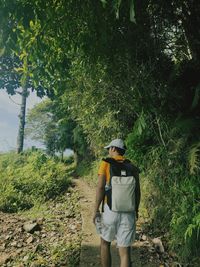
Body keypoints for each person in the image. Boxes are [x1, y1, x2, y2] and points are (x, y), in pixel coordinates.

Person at [93, 138, 141, 267]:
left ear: (114, 148)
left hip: (110, 211)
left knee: (104, 243)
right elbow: (137, 192)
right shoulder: (132, 167)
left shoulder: (106, 164)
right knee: (125, 252)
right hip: (129, 212)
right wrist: (136, 210)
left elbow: (100, 188)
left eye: (109, 148)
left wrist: (95, 210)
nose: (108, 151)